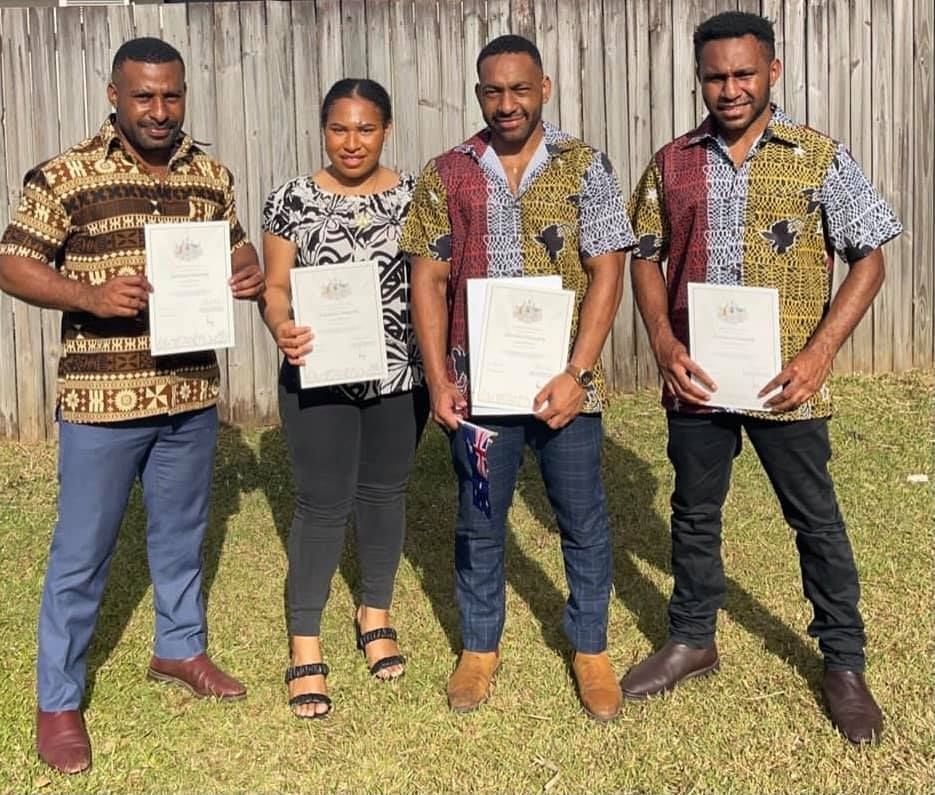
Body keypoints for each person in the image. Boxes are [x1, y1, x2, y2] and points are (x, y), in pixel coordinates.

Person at [623, 12, 902, 744]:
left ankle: (842, 663)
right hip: (699, 379)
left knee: (814, 518)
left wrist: (819, 355)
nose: (729, 88)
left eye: (743, 73)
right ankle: (691, 638)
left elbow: (867, 257)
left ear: (771, 71)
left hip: (788, 382)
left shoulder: (817, 158)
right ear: (699, 78)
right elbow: (643, 254)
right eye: (715, 76)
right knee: (693, 512)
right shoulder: (671, 162)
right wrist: (659, 338)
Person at [0, 38, 264, 774]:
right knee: (81, 554)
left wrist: (244, 273)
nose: (158, 110)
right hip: (101, 399)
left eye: (171, 96)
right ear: (113, 94)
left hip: (188, 394)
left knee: (182, 537)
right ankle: (58, 699)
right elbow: (12, 262)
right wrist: (88, 295)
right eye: (143, 96)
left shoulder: (210, 176)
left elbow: (238, 252)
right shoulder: (66, 174)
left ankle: (178, 648)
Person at [401, 35, 635, 721]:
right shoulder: (446, 171)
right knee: (479, 519)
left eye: (519, 89)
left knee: (582, 519)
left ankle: (589, 647)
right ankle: (479, 647)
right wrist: (438, 375)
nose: (507, 103)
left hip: (564, 387)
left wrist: (578, 370)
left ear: (544, 88)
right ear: (478, 95)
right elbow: (428, 277)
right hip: (476, 388)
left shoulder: (584, 167)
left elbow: (607, 268)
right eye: (493, 91)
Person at [260, 79, 427, 719]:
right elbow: (275, 287)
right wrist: (281, 325)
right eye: (339, 128)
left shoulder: (418, 197)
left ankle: (374, 611)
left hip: (399, 376)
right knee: (322, 504)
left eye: (365, 129)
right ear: (322, 128)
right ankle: (305, 640)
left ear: (386, 129)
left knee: (385, 494)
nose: (351, 142)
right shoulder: (291, 200)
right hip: (317, 374)